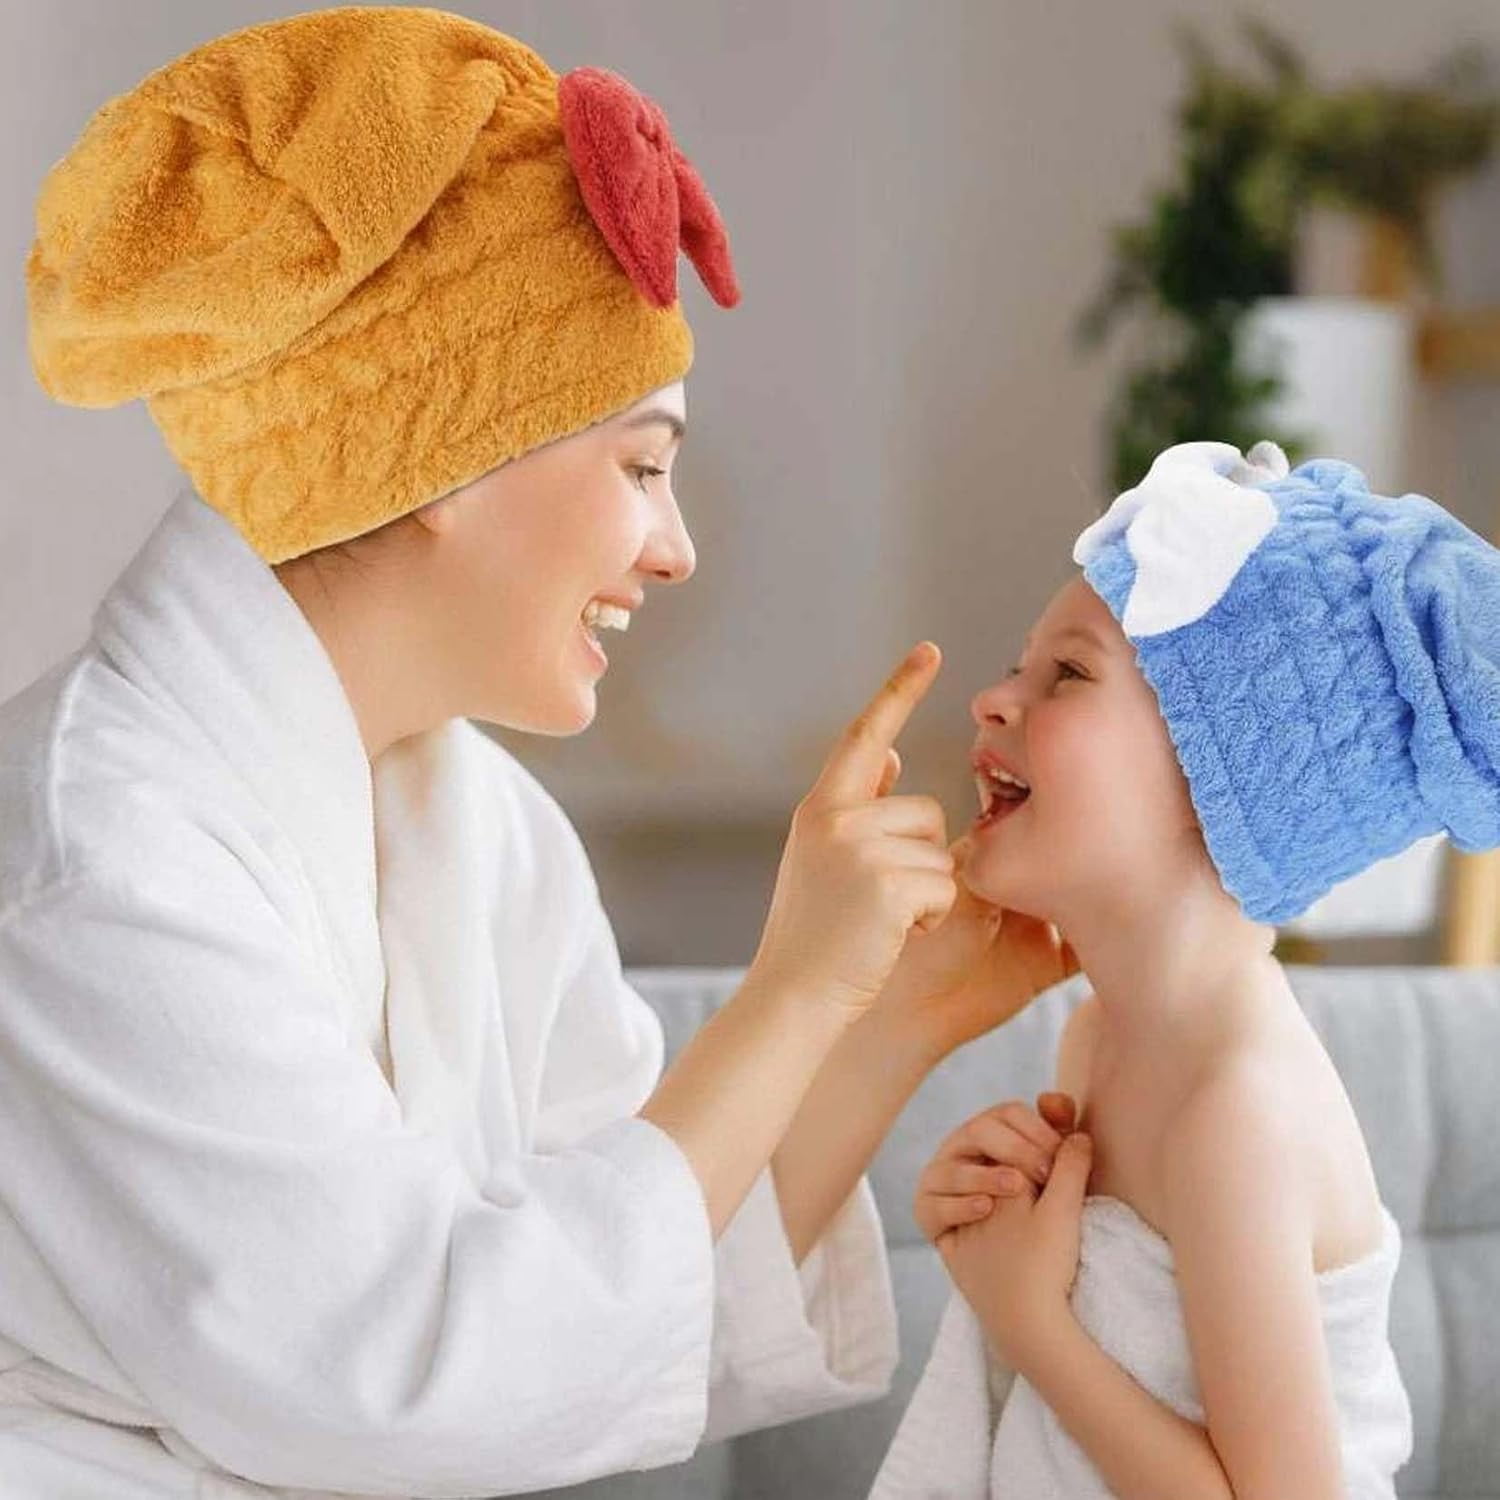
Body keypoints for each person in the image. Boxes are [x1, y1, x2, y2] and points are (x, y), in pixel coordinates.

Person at [1, 10, 1072, 1496]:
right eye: (641, 465)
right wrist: (789, 992)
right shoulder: (99, 862)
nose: (676, 549)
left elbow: (619, 1298)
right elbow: (419, 1381)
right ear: (444, 445)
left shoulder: (478, 826)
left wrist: (884, 1020)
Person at [875, 440, 1500, 1498]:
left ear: (1231, 783)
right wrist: (993, 1218)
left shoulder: (1233, 1114)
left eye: (1067, 674)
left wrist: (1026, 1319)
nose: (992, 698)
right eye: (1022, 665)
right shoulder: (1104, 1034)